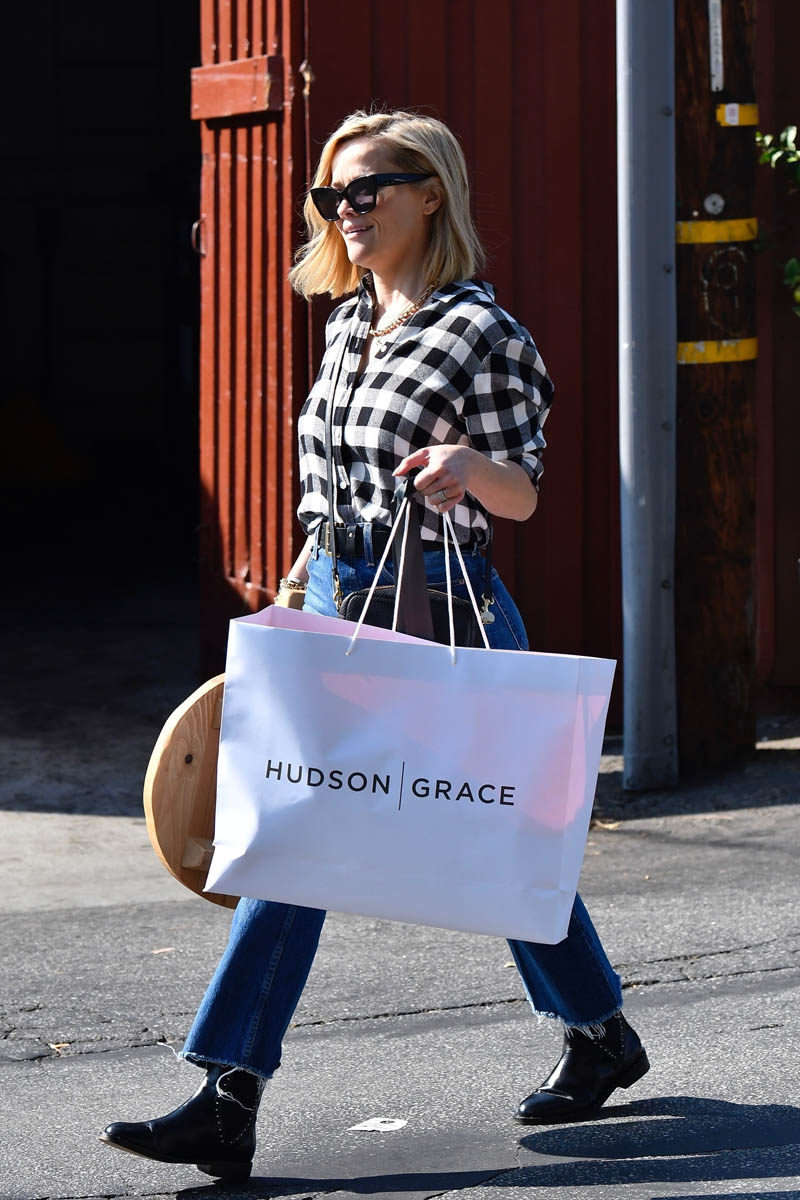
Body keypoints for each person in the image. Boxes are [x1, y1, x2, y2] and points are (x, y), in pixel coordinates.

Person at [101, 109, 649, 1182]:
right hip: (337, 601)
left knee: (490, 844)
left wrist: (464, 467)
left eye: (368, 190)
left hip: (442, 609)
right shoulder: (348, 325)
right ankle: (233, 1094)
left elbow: (522, 494)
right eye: (331, 196)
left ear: (431, 193)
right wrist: (296, 592)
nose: (345, 212)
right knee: (305, 838)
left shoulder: (480, 331)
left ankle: (593, 1035)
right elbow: (328, 490)